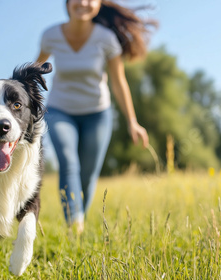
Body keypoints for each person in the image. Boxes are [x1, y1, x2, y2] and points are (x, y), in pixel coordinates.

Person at [36, 0, 155, 233]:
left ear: (99, 4)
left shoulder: (106, 38)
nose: (83, 3)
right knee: (68, 161)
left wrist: (132, 121)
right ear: (68, 3)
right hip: (59, 110)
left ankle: (78, 216)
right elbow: (34, 71)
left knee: (88, 175)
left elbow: (119, 82)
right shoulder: (50, 35)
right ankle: (75, 225)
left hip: (97, 114)